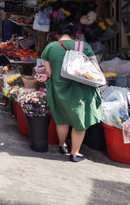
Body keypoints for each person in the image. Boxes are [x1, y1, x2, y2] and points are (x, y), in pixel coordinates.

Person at [42, 20, 103, 162]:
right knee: (79, 120)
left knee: (61, 118)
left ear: (57, 33)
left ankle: (62, 145)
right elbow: (96, 69)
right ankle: (75, 153)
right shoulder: (84, 46)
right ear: (74, 34)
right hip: (80, 89)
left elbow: (48, 72)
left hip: (59, 88)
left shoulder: (50, 47)